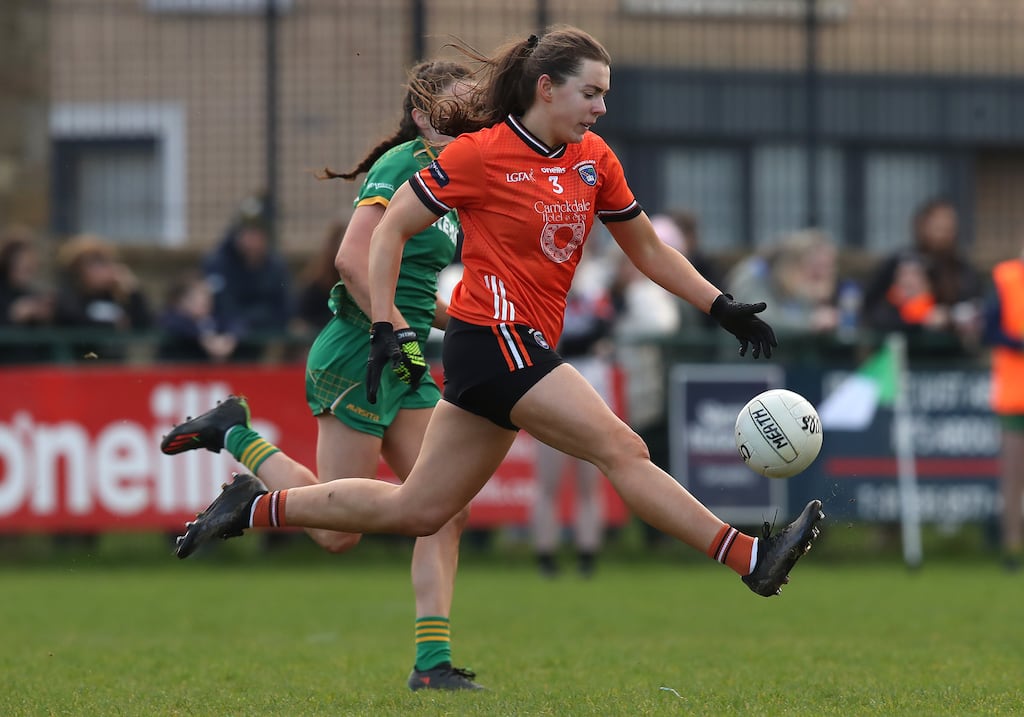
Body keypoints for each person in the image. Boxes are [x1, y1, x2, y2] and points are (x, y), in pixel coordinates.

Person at [173, 27, 823, 614]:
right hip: (495, 339)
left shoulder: (594, 157)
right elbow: (388, 229)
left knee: (419, 508)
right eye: (590, 93)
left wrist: (720, 305)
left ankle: (253, 506)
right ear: (547, 87)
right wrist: (381, 323)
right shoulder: (480, 155)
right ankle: (749, 557)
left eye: (605, 94)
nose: (600, 107)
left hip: (508, 350)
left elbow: (648, 249)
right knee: (622, 448)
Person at [162, 60, 483, 691]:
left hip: (405, 352)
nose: (471, 114)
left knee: (444, 506)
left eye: (477, 103)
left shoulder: (456, 178)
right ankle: (237, 442)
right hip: (362, 350)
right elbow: (349, 260)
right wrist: (396, 331)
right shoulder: (403, 165)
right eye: (457, 104)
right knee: (335, 537)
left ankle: (432, 665)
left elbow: (416, 288)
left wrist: (475, 321)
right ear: (422, 116)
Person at [530, 266, 616, 578]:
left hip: (590, 378)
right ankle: (545, 556)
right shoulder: (540, 285)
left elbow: (603, 330)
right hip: (549, 376)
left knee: (590, 480)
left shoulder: (594, 291)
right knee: (547, 481)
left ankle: (587, 555)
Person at [861, 198, 983, 352]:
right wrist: (913, 318)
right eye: (937, 224)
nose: (943, 231)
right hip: (900, 354)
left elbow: (973, 311)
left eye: (948, 226)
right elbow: (871, 308)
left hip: (948, 355)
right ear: (922, 225)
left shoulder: (962, 270)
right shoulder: (898, 261)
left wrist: (948, 319)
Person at [202, 194, 294, 361]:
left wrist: (247, 325)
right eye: (246, 232)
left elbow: (283, 310)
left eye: (257, 233)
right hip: (221, 346)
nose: (250, 239)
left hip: (262, 343)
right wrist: (235, 330)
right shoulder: (218, 263)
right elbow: (220, 306)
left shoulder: (275, 267)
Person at [982, 238, 1024, 571]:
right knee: (1013, 476)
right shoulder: (1005, 278)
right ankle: (1012, 548)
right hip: (1015, 395)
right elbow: (990, 329)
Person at [53, 233, 153, 361]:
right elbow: (75, 326)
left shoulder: (116, 297)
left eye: (104, 263)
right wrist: (114, 326)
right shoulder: (69, 297)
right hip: (79, 368)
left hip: (113, 368)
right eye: (93, 264)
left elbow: (144, 324)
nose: (103, 269)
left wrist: (133, 291)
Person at [725, 229, 839, 336]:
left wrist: (819, 299)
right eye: (815, 268)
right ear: (791, 262)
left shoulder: (786, 283)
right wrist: (811, 322)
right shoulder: (752, 275)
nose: (822, 274)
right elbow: (761, 318)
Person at [157, 269, 239, 363]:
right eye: (195, 297)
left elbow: (238, 323)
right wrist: (205, 339)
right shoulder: (171, 318)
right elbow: (173, 323)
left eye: (205, 295)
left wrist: (229, 338)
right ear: (179, 301)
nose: (203, 301)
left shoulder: (216, 318)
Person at [0, 226, 55, 363]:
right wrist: (12, 317)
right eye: (22, 266)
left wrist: (44, 317)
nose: (27, 272)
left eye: (30, 268)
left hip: (30, 369)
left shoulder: (33, 294)